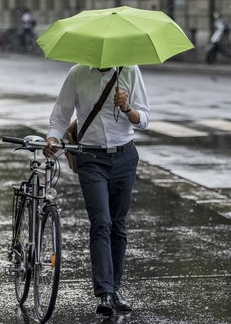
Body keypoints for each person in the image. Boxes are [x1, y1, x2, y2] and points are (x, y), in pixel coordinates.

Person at [44, 65, 150, 316]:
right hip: (90, 158)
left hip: (125, 156)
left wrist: (127, 109)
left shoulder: (130, 71)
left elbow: (144, 119)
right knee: (101, 222)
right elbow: (60, 117)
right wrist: (52, 139)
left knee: (118, 224)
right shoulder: (78, 73)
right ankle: (104, 292)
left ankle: (115, 289)